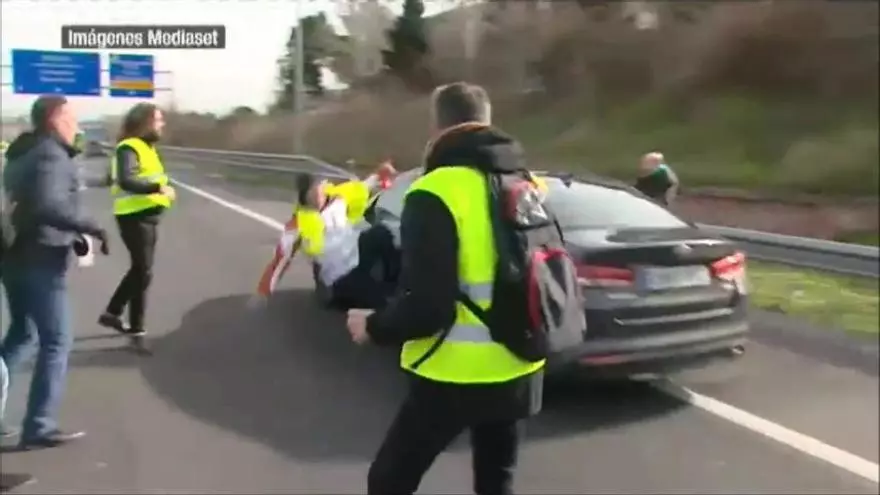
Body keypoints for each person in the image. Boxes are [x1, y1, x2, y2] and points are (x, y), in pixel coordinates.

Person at [346, 82, 550, 495]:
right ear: (487, 121)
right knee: (496, 482)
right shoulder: (527, 184)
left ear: (437, 127)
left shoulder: (433, 191)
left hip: (452, 371)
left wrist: (373, 327)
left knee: (388, 481)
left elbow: (427, 308)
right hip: (521, 362)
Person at [1, 95, 110, 449]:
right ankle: (39, 426)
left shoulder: (20, 152)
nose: (75, 125)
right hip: (40, 258)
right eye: (71, 118)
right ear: (53, 119)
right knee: (56, 340)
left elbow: (29, 205)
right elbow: (49, 205)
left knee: (22, 334)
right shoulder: (51, 154)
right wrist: (92, 226)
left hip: (13, 256)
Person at [254, 160, 398, 309]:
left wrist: (382, 171)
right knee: (382, 301)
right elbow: (280, 259)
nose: (316, 197)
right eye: (309, 195)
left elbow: (365, 185)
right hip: (339, 276)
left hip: (357, 254)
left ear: (323, 186)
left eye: (317, 190)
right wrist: (263, 291)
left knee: (381, 233)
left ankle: (396, 279)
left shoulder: (339, 196)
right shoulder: (299, 222)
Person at [98, 103, 176, 337]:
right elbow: (127, 180)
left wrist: (162, 191)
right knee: (143, 270)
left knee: (141, 270)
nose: (162, 124)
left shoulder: (146, 147)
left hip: (147, 216)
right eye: (158, 120)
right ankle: (113, 311)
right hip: (134, 216)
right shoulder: (129, 147)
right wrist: (158, 188)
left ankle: (136, 324)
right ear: (145, 122)